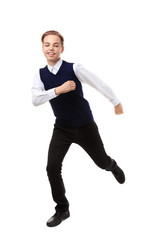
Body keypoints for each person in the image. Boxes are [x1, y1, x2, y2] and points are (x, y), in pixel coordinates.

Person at [32, 30, 125, 227]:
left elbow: (98, 83)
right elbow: (35, 100)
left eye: (55, 45)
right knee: (52, 168)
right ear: (42, 48)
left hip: (85, 127)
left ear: (62, 49)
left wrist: (115, 102)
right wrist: (58, 90)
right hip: (62, 129)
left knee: (101, 162)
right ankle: (62, 209)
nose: (51, 48)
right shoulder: (40, 75)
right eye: (47, 44)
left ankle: (112, 165)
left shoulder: (74, 68)